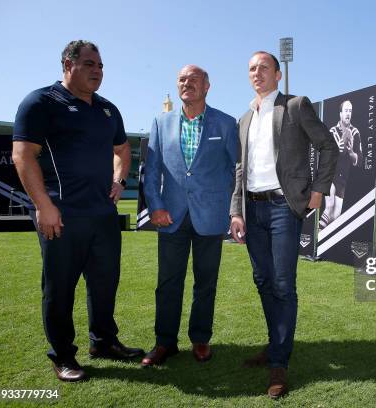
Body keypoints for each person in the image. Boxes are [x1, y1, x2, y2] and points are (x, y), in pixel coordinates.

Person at [12, 40, 144, 382]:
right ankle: (63, 356)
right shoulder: (41, 102)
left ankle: (104, 341)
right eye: (89, 64)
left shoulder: (108, 109)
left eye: (100, 66)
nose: (97, 71)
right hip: (61, 213)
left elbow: (123, 149)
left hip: (102, 214)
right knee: (59, 288)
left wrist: (118, 179)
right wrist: (44, 206)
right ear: (68, 65)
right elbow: (23, 156)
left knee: (104, 284)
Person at [229, 51, 338, 398]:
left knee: (282, 283)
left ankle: (279, 363)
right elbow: (240, 170)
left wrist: (319, 190)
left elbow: (328, 146)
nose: (256, 73)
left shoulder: (295, 105)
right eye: (251, 69)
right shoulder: (244, 118)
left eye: (263, 67)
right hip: (253, 209)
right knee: (262, 280)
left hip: (282, 208)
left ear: (278, 74)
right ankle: (276, 343)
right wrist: (236, 210)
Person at [141, 65, 238, 367]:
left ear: (207, 86)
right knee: (168, 282)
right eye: (182, 80)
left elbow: (237, 169)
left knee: (205, 283)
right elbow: (152, 170)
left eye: (194, 80)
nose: (187, 84)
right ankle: (164, 343)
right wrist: (155, 205)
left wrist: (231, 208)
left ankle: (200, 339)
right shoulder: (161, 122)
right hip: (170, 216)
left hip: (210, 216)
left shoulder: (225, 123)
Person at [319, 100, 362, 229]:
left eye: (350, 111)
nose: (348, 114)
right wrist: (337, 148)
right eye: (346, 111)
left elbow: (359, 160)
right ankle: (317, 235)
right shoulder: (332, 131)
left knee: (336, 217)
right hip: (330, 175)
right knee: (329, 205)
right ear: (340, 113)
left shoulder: (355, 133)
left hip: (343, 179)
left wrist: (351, 152)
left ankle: (323, 241)